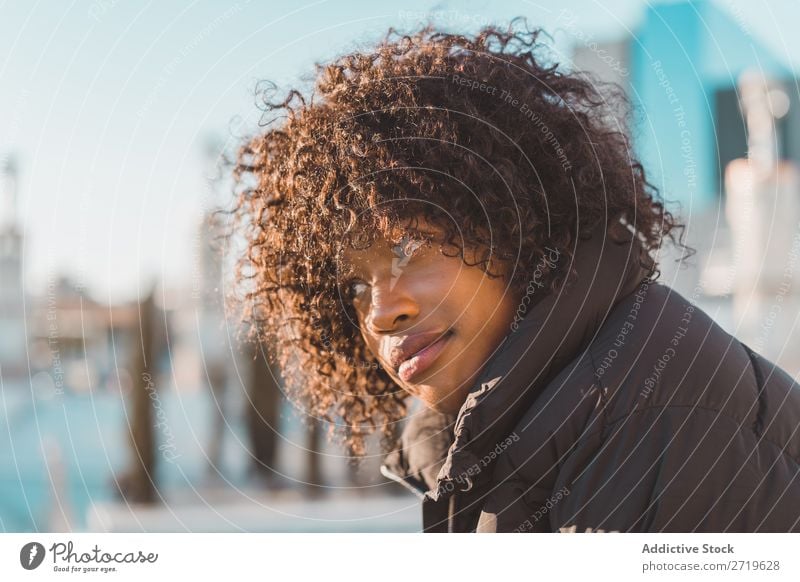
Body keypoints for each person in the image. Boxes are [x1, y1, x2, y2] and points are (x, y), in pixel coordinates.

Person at [229, 20, 800, 532]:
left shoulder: (657, 421)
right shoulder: (526, 428)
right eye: (354, 286)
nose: (380, 311)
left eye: (410, 247)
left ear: (514, 231)